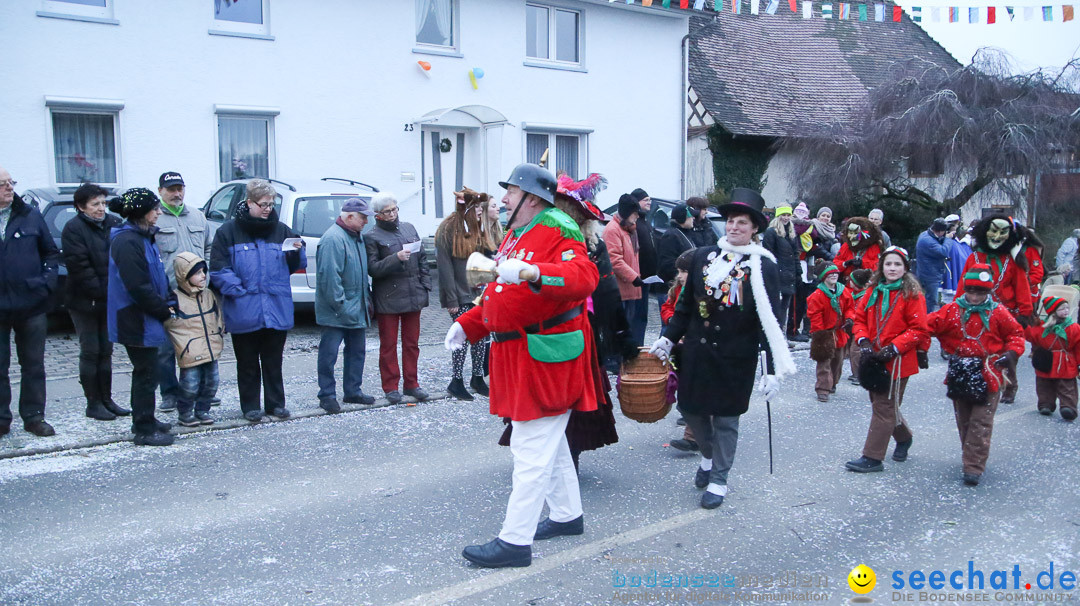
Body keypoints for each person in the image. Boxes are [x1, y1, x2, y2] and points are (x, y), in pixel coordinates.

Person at [445, 163, 599, 568]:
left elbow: (583, 278)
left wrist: (534, 272)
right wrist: (468, 325)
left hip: (547, 356)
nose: (504, 199)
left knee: (530, 447)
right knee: (549, 441)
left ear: (531, 197)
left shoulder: (559, 226)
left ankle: (514, 542)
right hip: (519, 354)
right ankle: (568, 516)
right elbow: (499, 289)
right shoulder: (516, 232)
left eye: (510, 191)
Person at [649, 188, 796, 509]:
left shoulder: (764, 267)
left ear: (754, 227)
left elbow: (770, 319)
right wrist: (668, 337)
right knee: (690, 409)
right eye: (730, 221)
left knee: (727, 420)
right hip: (697, 355)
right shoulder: (704, 256)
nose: (733, 227)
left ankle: (719, 478)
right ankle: (707, 454)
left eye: (742, 223)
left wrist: (771, 371)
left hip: (736, 358)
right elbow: (686, 306)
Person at [499, 173, 631, 471]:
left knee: (569, 397)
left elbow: (605, 292)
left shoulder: (583, 244)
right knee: (542, 403)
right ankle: (553, 466)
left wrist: (622, 337)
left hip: (577, 328)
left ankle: (561, 459)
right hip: (533, 331)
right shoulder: (526, 235)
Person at [210, 179, 307, 422]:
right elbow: (219, 269)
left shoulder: (282, 230)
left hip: (276, 306)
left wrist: (298, 251)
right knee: (247, 362)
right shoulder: (228, 232)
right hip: (244, 307)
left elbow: (295, 266)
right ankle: (250, 406)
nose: (268, 208)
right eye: (263, 204)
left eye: (271, 204)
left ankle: (276, 404)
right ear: (249, 202)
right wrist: (239, 290)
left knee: (274, 362)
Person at [926, 264, 1025, 485]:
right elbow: (925, 326)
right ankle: (970, 455)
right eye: (971, 291)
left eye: (981, 292)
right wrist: (921, 347)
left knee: (981, 421)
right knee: (964, 419)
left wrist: (1011, 353)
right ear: (965, 289)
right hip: (961, 372)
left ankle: (973, 466)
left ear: (988, 292)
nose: (975, 296)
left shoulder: (999, 312)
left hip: (990, 372)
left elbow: (1016, 335)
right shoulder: (952, 310)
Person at [845, 246, 928, 473]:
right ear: (881, 266)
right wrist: (863, 340)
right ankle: (904, 437)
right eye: (888, 264)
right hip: (873, 357)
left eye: (897, 264)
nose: (892, 268)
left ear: (905, 268)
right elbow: (859, 318)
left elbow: (919, 329)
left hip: (898, 360)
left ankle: (872, 457)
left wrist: (894, 347)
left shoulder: (912, 294)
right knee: (883, 404)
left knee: (883, 406)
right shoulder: (873, 291)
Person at [106, 188, 176, 446]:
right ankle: (144, 428)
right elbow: (137, 286)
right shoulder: (127, 241)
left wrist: (169, 298)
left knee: (151, 370)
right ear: (140, 212)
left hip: (147, 315)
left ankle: (147, 417)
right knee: (145, 373)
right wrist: (163, 309)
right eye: (154, 208)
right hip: (134, 317)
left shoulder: (145, 237)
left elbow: (157, 275)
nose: (159, 212)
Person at [0, 165, 60, 438]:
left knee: (33, 363)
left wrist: (45, 282)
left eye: (11, 182)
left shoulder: (30, 216)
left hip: (31, 304)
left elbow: (50, 253)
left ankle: (34, 416)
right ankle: (2, 418)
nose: (9, 188)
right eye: (2, 184)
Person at [62, 182, 128, 421]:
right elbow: (79, 266)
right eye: (95, 204)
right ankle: (93, 402)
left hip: (110, 299)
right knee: (91, 350)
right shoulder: (73, 229)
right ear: (81, 207)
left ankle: (107, 399)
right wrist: (102, 293)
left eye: (103, 203)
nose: (101, 208)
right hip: (84, 301)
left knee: (106, 350)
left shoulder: (113, 223)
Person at [958, 215, 1034, 404]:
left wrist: (1025, 312)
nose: (998, 236)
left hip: (1006, 314)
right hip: (977, 312)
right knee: (981, 349)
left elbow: (1022, 287)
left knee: (1007, 353)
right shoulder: (974, 257)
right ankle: (985, 381)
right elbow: (963, 284)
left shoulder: (1012, 260)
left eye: (1003, 232)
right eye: (994, 230)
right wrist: (957, 308)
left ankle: (1010, 384)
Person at [154, 172, 213, 413]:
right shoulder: (155, 218)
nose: (177, 193)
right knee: (166, 348)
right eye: (171, 189)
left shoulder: (198, 216)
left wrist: (205, 277)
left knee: (197, 343)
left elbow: (209, 247)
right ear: (160, 191)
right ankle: (169, 393)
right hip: (169, 293)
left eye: (180, 188)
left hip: (197, 294)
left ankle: (198, 390)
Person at [366, 192, 432, 405]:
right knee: (389, 345)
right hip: (388, 297)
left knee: (412, 343)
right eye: (388, 211)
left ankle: (412, 384)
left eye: (395, 209)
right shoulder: (372, 236)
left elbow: (422, 257)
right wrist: (395, 258)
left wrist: (425, 284)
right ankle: (391, 386)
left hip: (414, 294)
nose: (393, 214)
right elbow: (373, 269)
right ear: (378, 215)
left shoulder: (409, 228)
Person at [315, 198, 376, 413]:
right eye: (363, 217)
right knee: (329, 353)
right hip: (338, 309)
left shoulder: (355, 236)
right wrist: (340, 306)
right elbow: (330, 278)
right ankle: (327, 395)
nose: (366, 222)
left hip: (355, 306)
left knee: (357, 352)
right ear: (349, 216)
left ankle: (353, 391)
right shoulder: (333, 239)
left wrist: (364, 301)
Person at [436, 188, 494, 401]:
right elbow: (444, 267)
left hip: (476, 292)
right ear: (468, 207)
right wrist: (451, 299)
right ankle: (456, 380)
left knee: (480, 334)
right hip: (458, 294)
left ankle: (477, 377)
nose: (481, 211)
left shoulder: (475, 227)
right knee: (462, 337)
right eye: (478, 207)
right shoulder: (448, 229)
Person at [164, 252, 223, 427]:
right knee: (190, 385)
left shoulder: (208, 295)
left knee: (212, 382)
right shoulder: (175, 298)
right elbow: (170, 325)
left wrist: (219, 331)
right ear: (184, 276)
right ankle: (185, 412)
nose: (203, 276)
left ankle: (202, 410)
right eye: (197, 273)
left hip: (211, 347)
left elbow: (217, 315)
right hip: (189, 350)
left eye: (204, 271)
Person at [662, 250, 700, 452]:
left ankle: (693, 436)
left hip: (695, 344)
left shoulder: (702, 291)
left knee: (699, 390)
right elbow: (667, 307)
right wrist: (672, 321)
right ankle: (690, 420)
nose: (680, 275)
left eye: (684, 271)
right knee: (682, 381)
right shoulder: (678, 288)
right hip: (679, 343)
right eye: (679, 271)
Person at [1025, 295, 1080, 421]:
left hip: (1065, 361)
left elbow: (1078, 346)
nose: (1066, 311)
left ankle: (1068, 407)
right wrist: (1025, 326)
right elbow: (1033, 337)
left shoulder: (1073, 328)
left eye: (1067, 308)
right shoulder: (1042, 327)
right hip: (1046, 359)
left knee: (1067, 386)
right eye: (1062, 309)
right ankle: (1045, 404)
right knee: (1044, 384)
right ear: (1053, 312)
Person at [807, 264, 855, 402]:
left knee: (837, 361)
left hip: (840, 332)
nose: (833, 276)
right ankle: (822, 388)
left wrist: (850, 318)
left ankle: (833, 383)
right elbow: (814, 315)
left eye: (835, 273)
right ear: (824, 277)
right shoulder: (817, 295)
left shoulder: (843, 292)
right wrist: (820, 335)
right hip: (824, 333)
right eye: (830, 274)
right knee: (824, 362)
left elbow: (850, 308)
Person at [602, 194, 643, 349]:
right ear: (626, 213)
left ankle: (624, 356)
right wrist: (633, 277)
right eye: (635, 213)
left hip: (630, 289)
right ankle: (616, 360)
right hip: (621, 290)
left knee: (628, 327)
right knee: (619, 328)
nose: (637, 217)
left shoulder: (629, 230)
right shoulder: (613, 230)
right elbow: (614, 259)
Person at [762, 206, 802, 341]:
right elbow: (769, 254)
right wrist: (773, 272)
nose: (785, 217)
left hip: (789, 275)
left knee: (785, 307)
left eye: (788, 215)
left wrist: (798, 272)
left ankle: (781, 335)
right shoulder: (771, 232)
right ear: (778, 216)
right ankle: (774, 336)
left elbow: (795, 254)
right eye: (783, 215)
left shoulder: (791, 233)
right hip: (778, 274)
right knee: (776, 307)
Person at [631, 187, 664, 328]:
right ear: (636, 202)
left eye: (649, 199)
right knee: (638, 316)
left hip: (648, 277)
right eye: (646, 200)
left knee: (643, 316)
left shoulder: (645, 222)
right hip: (638, 277)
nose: (649, 202)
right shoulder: (634, 224)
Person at [915, 218, 951, 313]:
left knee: (928, 299)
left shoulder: (925, 235)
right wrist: (948, 239)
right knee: (931, 300)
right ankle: (926, 320)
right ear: (940, 231)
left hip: (927, 272)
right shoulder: (928, 241)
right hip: (929, 275)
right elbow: (943, 252)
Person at [657, 203, 696, 290]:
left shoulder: (685, 233)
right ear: (682, 218)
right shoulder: (671, 236)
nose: (693, 218)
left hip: (682, 284)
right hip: (670, 288)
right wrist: (683, 277)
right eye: (691, 216)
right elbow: (667, 264)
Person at [845, 268, 873, 385]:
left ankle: (859, 374)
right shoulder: (852, 294)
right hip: (851, 326)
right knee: (850, 350)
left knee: (855, 351)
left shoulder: (864, 296)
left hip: (860, 327)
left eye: (851, 280)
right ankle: (855, 372)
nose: (848, 281)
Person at [1018, 225, 1045, 301]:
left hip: (1028, 293)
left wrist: (1022, 282)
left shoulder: (1031, 251)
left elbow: (1037, 274)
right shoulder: (1005, 252)